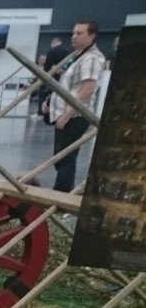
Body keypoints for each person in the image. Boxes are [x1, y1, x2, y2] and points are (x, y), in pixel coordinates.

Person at [44, 20, 105, 194]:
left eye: (79, 33)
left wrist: (68, 115)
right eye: (73, 33)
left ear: (92, 36)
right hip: (63, 113)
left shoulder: (92, 58)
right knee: (60, 157)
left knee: (66, 158)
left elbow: (88, 89)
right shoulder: (77, 56)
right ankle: (63, 191)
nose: (74, 37)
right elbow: (67, 85)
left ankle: (61, 194)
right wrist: (49, 101)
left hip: (75, 117)